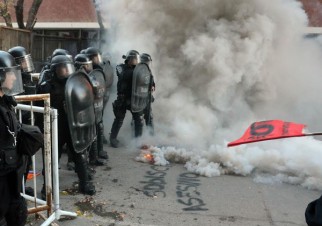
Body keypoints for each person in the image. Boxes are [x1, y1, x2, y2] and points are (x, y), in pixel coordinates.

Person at [36, 55, 96, 195]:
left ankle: (84, 183)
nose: (65, 72)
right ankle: (48, 187)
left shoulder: (76, 83)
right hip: (54, 127)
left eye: (67, 68)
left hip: (72, 125)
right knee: (51, 158)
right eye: (62, 69)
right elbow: (39, 110)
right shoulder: (46, 86)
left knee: (79, 154)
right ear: (54, 70)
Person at [0, 51, 28, 226]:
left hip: (10, 171)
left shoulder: (6, 101)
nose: (13, 78)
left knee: (18, 211)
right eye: (10, 73)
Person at [8, 46, 37, 196]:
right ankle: (17, 192)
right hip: (17, 126)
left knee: (28, 161)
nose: (26, 65)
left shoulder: (28, 79)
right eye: (23, 62)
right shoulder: (13, 82)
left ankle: (23, 188)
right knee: (19, 163)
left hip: (27, 124)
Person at [74, 54, 105, 166]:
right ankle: (80, 164)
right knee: (83, 141)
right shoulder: (76, 78)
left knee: (93, 136)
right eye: (88, 65)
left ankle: (93, 158)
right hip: (80, 115)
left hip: (90, 111)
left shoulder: (89, 76)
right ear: (81, 66)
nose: (90, 67)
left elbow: (96, 90)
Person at [109, 50, 143, 148]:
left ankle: (138, 141)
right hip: (123, 98)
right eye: (133, 59)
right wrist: (137, 72)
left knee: (138, 120)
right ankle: (113, 138)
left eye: (136, 59)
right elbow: (124, 75)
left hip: (134, 98)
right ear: (128, 59)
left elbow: (147, 76)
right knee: (119, 119)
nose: (134, 61)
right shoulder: (120, 67)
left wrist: (152, 83)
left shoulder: (139, 69)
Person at [85, 47, 109, 159]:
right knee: (92, 131)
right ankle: (93, 156)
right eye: (94, 58)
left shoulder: (99, 71)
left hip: (98, 104)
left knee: (99, 126)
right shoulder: (84, 73)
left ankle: (100, 151)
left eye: (97, 57)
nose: (97, 60)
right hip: (89, 106)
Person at [139, 53, 155, 135]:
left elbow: (151, 84)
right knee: (138, 119)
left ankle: (151, 137)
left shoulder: (149, 71)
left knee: (149, 118)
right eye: (147, 62)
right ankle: (136, 139)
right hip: (139, 99)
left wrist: (150, 94)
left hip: (147, 98)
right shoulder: (138, 71)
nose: (148, 63)